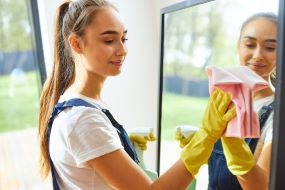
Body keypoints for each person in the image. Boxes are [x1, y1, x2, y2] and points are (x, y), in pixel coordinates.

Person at [38, 0, 236, 189]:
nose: (122, 50)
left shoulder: (80, 104)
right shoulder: (82, 119)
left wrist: (120, 146)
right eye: (109, 40)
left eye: (123, 38)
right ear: (76, 44)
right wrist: (206, 138)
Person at [208, 12, 277, 190]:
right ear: (238, 46)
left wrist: (233, 146)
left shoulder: (278, 114)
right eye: (249, 44)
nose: (258, 55)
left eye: (270, 47)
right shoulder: (225, 100)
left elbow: (261, 187)